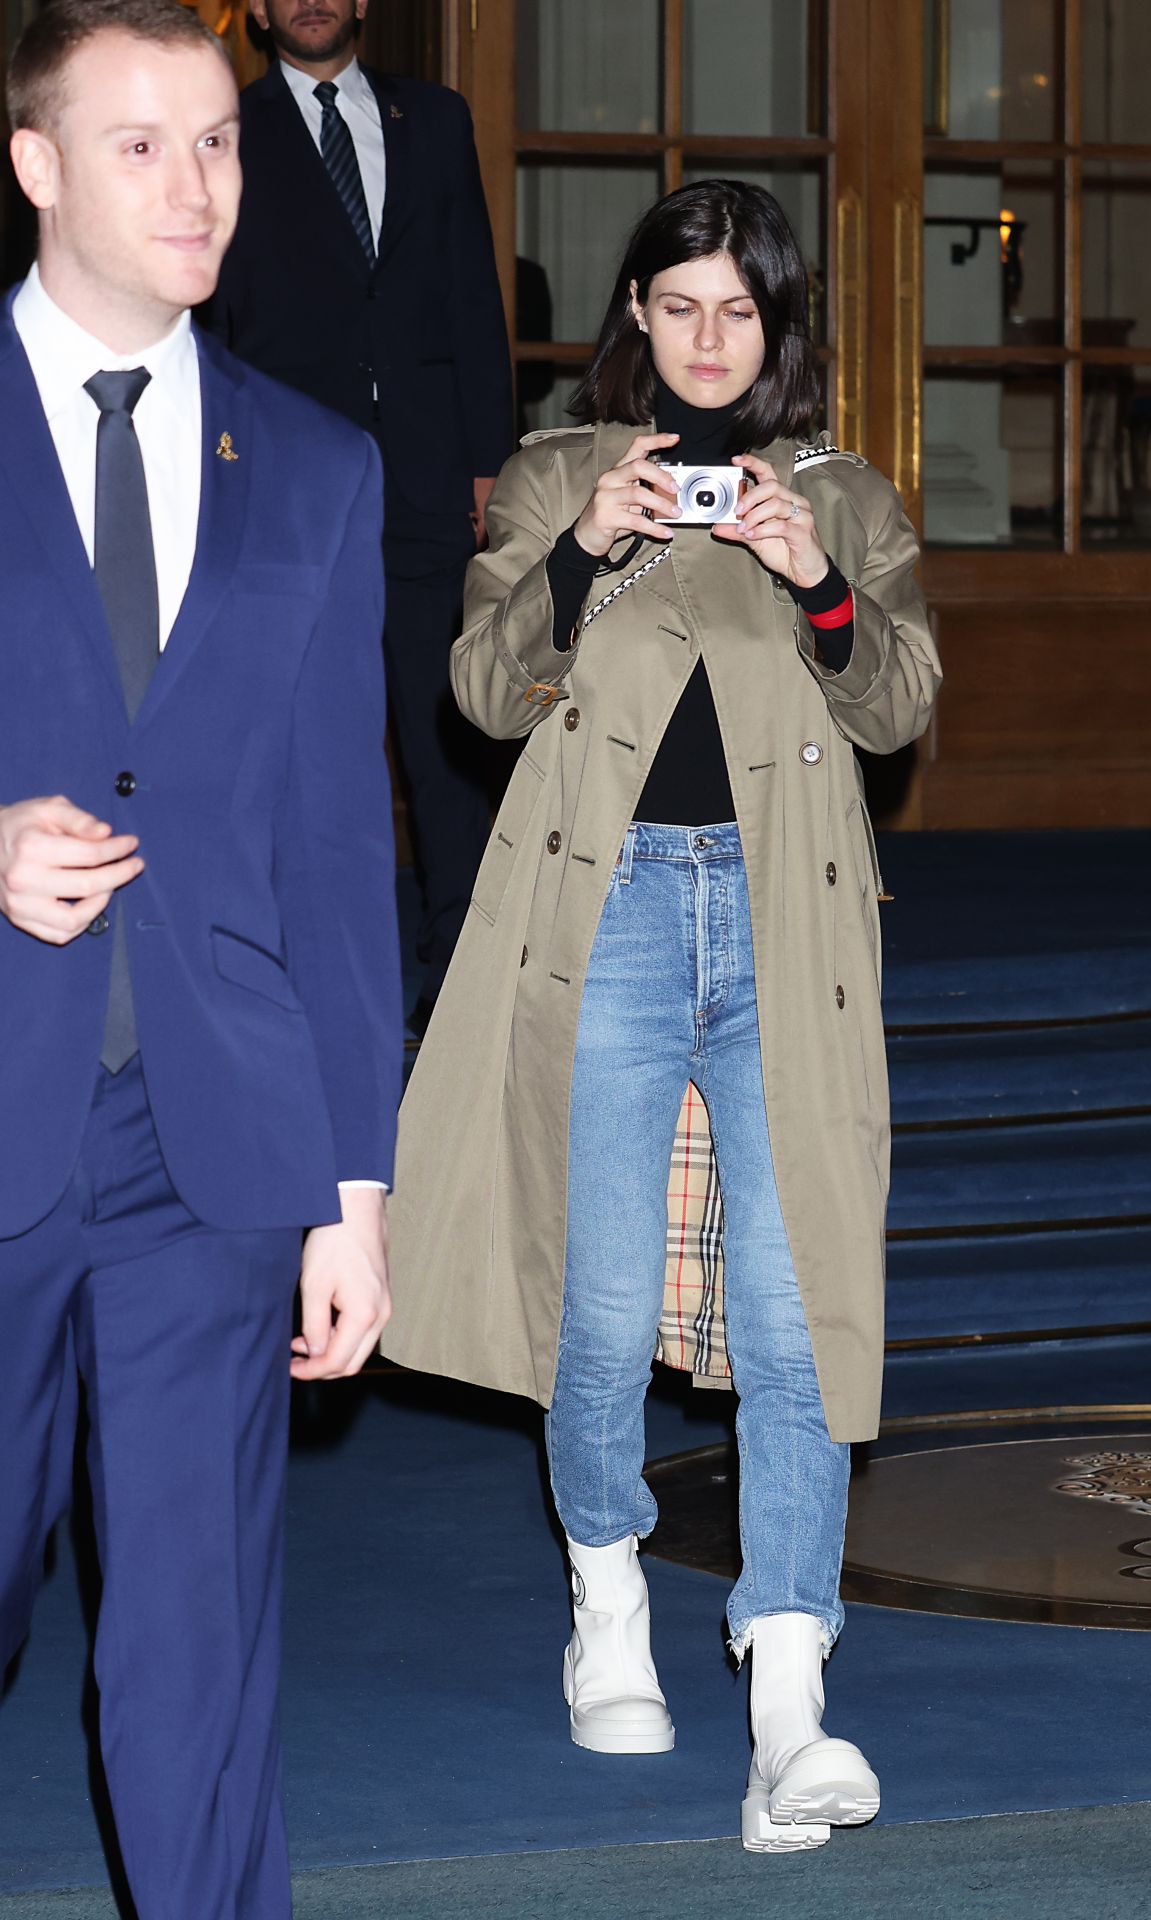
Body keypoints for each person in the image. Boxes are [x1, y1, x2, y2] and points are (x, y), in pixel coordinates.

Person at [384, 180, 941, 1852]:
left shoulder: (838, 490)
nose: (708, 342)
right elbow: (477, 694)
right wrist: (584, 550)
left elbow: (901, 700)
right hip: (610, 911)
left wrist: (814, 576)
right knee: (600, 1292)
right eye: (678, 306)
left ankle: (790, 1692)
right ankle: (609, 1598)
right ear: (633, 311)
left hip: (783, 923)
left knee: (797, 1311)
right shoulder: (566, 474)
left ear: (779, 332)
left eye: (739, 312)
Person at [0, 4, 401, 1914]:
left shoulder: (312, 465)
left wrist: (356, 1184)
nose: (197, 185)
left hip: (213, 1149)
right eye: (142, 143)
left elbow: (336, 852)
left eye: (220, 142)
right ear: (37, 165)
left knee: (196, 1657)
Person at [207, 0, 513, 1035]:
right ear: (255, 7)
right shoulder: (226, 126)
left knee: (445, 726)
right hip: (284, 482)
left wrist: (488, 464)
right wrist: (218, 467)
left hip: (427, 478)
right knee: (298, 738)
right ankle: (292, 970)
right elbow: (208, 313)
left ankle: (460, 964)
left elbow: (473, 291)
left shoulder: (437, 117)